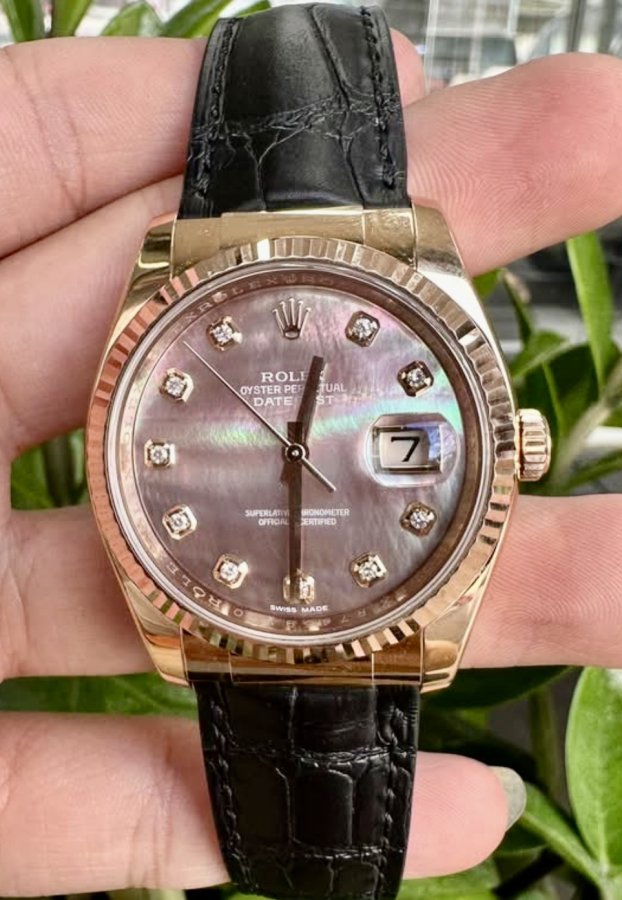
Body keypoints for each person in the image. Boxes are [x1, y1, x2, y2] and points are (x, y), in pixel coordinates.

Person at [0, 31, 620, 894]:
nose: (295, 453)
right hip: (217, 599)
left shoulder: (403, 267)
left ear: (511, 444)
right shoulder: (204, 274)